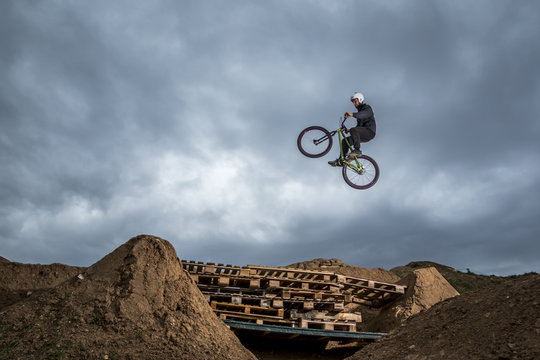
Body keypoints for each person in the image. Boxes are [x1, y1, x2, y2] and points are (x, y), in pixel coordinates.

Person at [328, 92, 376, 167]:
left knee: (354, 129)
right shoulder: (359, 112)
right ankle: (341, 161)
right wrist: (349, 130)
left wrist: (353, 115)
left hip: (370, 132)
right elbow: (359, 127)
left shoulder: (367, 108)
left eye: (355, 101)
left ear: (360, 100)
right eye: (353, 102)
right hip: (363, 133)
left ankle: (357, 151)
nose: (354, 103)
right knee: (345, 141)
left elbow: (365, 114)